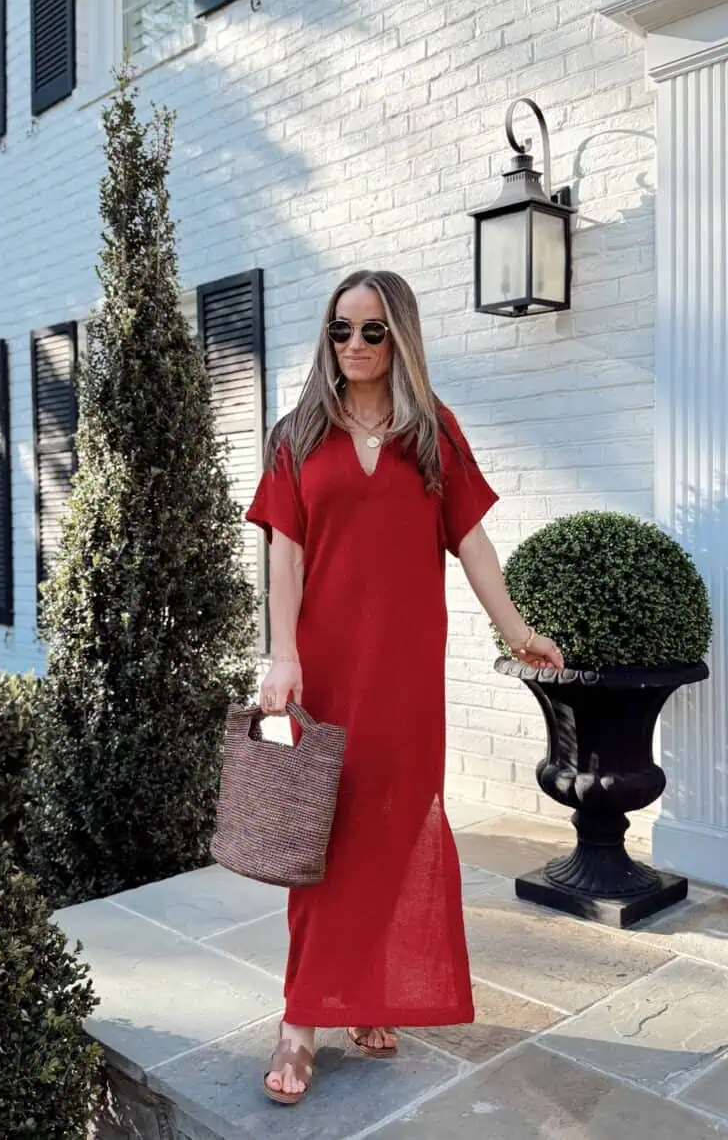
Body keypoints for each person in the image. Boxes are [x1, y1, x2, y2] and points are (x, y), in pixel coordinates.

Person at [245, 269, 564, 1105]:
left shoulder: (433, 432)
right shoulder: (297, 433)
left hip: (408, 668)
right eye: (340, 330)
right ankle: (300, 1019)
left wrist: (517, 629)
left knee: (392, 825)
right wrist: (284, 655)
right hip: (327, 668)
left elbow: (474, 543)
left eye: (372, 331)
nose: (353, 345)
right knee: (327, 836)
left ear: (401, 338)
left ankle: (363, 994)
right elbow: (285, 552)